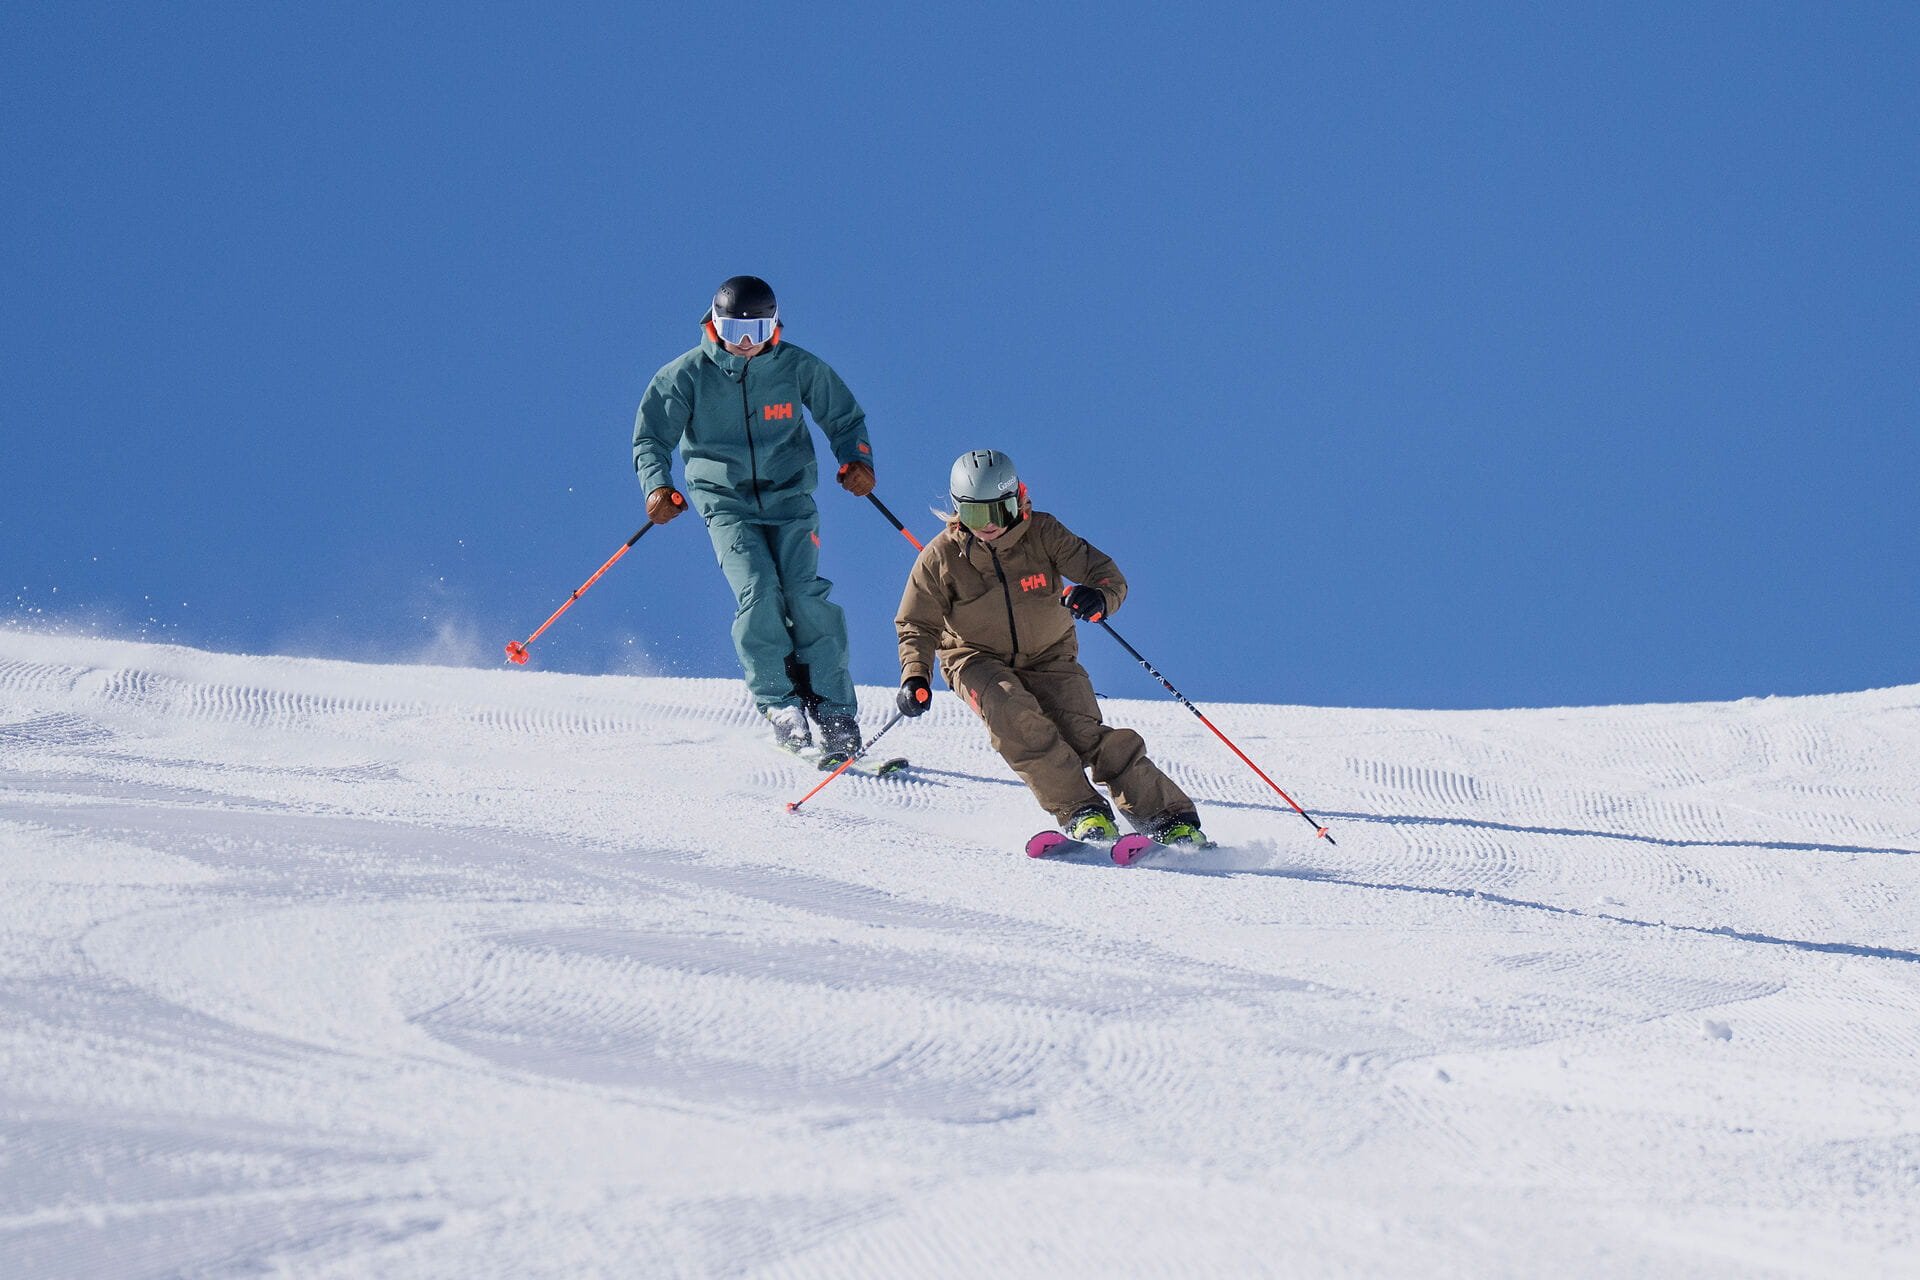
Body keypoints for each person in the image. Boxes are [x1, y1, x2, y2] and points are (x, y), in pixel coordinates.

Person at [893, 449, 1209, 847]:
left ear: (1017, 499)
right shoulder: (940, 557)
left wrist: (1098, 597)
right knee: (1013, 714)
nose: (988, 525)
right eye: (975, 515)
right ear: (958, 511)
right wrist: (915, 675)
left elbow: (1108, 576)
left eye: (998, 510)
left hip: (1049, 655)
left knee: (1087, 733)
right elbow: (915, 623)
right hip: (973, 658)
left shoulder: (1044, 534)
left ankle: (1168, 819)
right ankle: (1081, 810)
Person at [633, 275, 876, 759]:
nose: (746, 343)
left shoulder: (795, 366)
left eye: (758, 330)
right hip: (725, 502)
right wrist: (657, 486)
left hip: (789, 498)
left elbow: (843, 416)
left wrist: (858, 460)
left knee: (804, 593)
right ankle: (782, 705)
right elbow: (651, 438)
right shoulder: (686, 375)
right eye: (735, 330)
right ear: (714, 324)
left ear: (775, 326)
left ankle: (832, 708)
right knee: (759, 590)